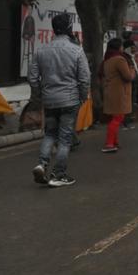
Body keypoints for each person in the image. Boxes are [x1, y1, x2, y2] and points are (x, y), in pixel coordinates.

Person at [28, 13, 90, 187]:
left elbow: (32, 77)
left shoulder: (41, 50)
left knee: (49, 134)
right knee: (64, 139)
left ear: (54, 29)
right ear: (69, 28)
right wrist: (82, 97)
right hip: (70, 100)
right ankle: (59, 174)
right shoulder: (76, 50)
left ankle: (42, 164)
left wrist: (40, 94)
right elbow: (85, 78)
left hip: (49, 101)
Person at [101, 37, 135, 152]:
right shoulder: (120, 59)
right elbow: (128, 76)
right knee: (118, 117)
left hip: (111, 92)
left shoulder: (108, 59)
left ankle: (114, 142)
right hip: (119, 92)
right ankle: (109, 143)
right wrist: (132, 69)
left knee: (115, 117)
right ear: (118, 47)